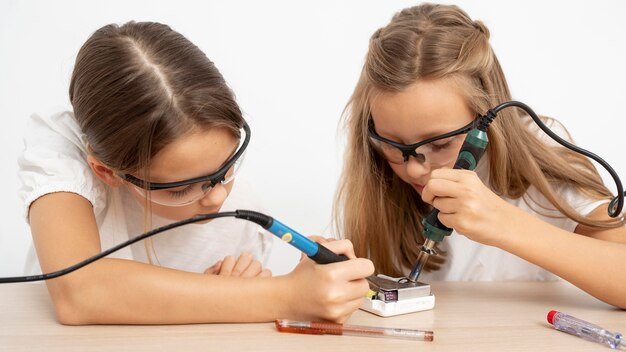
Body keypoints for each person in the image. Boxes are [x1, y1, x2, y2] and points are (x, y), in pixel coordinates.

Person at [18, 21, 373, 325]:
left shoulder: (241, 216)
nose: (219, 196)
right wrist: (286, 295)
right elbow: (80, 292)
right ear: (106, 172)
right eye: (181, 189)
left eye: (226, 166)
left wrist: (232, 297)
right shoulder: (63, 149)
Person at [334, 3, 626, 308]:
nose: (416, 170)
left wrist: (506, 224)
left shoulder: (543, 158)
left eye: (439, 145)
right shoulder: (378, 177)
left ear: (485, 119)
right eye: (394, 145)